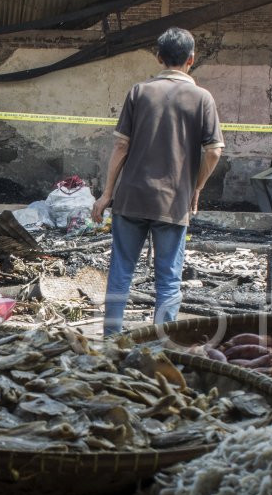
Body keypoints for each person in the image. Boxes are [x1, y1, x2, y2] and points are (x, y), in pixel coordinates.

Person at [91, 27, 224, 337]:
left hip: (132, 198)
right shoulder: (202, 98)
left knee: (120, 273)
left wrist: (106, 193)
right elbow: (214, 152)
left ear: (159, 57)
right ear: (192, 59)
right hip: (173, 202)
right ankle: (160, 345)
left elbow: (121, 147)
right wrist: (196, 187)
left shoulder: (139, 92)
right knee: (168, 280)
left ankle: (111, 339)